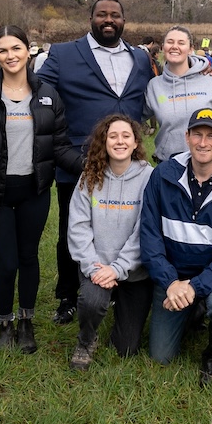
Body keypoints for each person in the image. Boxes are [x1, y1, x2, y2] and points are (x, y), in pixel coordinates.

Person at [0, 25, 80, 354]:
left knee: (29, 258)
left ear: (28, 51)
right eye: (4, 50)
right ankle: (5, 322)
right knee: (7, 263)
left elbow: (60, 147)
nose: (11, 55)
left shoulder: (48, 95)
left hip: (34, 191)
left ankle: (26, 321)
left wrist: (92, 166)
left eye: (17, 48)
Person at [37, 0, 156, 327]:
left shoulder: (141, 58)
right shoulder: (63, 53)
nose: (109, 19)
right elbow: (37, 90)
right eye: (102, 14)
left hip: (127, 162)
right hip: (78, 161)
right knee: (71, 231)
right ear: (91, 19)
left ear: (123, 20)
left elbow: (155, 90)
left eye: (115, 15)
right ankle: (68, 295)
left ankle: (117, 282)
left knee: (126, 226)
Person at [140, 108, 212, 386]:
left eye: (211, 136)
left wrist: (195, 287)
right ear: (187, 137)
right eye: (198, 135)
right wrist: (171, 283)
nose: (204, 143)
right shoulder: (163, 175)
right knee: (160, 356)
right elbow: (150, 236)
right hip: (173, 273)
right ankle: (193, 308)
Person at [67, 114, 154, 370]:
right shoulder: (89, 176)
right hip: (97, 268)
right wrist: (95, 268)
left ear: (136, 142)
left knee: (126, 348)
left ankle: (122, 309)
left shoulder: (149, 177)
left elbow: (145, 231)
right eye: (112, 136)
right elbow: (78, 227)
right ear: (103, 142)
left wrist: (117, 268)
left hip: (134, 271)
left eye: (126, 136)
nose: (119, 141)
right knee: (92, 301)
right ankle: (86, 339)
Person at [146, 26, 212, 162]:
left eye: (181, 43)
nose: (174, 46)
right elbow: (133, 115)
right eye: (170, 42)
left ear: (191, 49)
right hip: (168, 167)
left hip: (207, 166)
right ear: (162, 47)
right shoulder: (154, 86)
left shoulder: (209, 80)